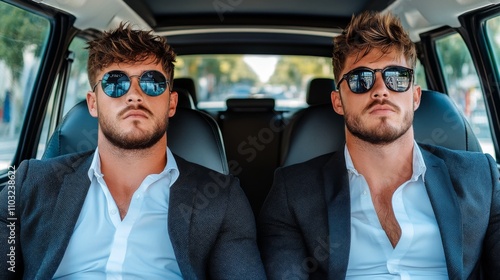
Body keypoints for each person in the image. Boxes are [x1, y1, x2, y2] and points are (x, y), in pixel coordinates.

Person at [0, 23, 265, 279]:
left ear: (171, 103)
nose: (134, 95)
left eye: (152, 83)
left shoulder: (222, 197)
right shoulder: (27, 183)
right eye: (115, 83)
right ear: (93, 104)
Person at [258, 11, 500, 279]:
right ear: (338, 102)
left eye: (396, 77)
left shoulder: (481, 178)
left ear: (415, 97)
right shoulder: (292, 193)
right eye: (360, 79)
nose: (381, 90)